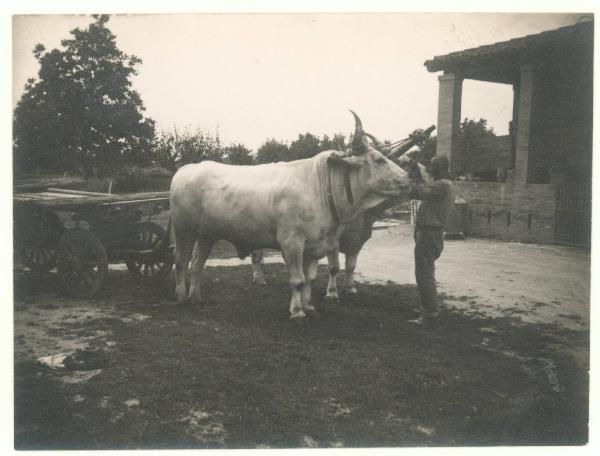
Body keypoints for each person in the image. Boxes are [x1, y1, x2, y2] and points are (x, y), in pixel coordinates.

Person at [407, 155, 455, 325]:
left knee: (424, 274)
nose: (430, 169)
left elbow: (418, 192)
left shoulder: (442, 185)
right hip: (430, 233)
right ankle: (428, 307)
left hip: (429, 234)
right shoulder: (444, 184)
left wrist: (413, 177)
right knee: (425, 272)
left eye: (433, 166)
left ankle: (430, 314)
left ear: (442, 168)